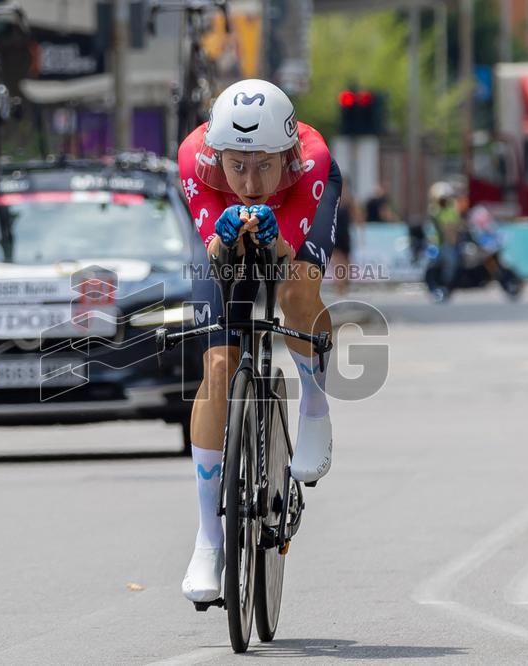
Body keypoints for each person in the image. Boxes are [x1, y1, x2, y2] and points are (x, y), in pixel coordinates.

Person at [177, 79, 342, 603]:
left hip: (295, 215)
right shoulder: (193, 160)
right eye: (238, 166)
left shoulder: (310, 159)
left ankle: (314, 405)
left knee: (294, 288)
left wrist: (273, 237)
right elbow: (219, 264)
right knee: (219, 366)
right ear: (216, 155)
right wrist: (223, 240)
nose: (250, 182)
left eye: (264, 164)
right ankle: (208, 536)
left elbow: (283, 260)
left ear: (286, 155)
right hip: (223, 232)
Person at [428, 181, 465, 293]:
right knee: (451, 261)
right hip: (442, 243)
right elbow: (441, 227)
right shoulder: (435, 210)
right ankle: (446, 285)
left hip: (454, 241)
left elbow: (458, 222)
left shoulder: (452, 209)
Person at [329, 178, 362, 295]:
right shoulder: (333, 198)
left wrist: (361, 232)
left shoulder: (348, 200)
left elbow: (358, 217)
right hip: (335, 234)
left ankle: (342, 284)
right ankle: (340, 286)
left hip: (344, 234)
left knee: (346, 262)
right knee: (338, 261)